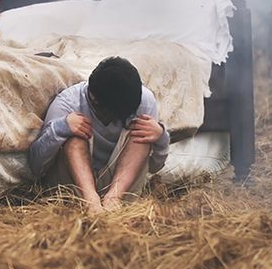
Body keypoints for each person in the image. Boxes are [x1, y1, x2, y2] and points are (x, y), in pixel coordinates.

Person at [28, 56, 169, 212]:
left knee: (142, 134)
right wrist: (61, 127)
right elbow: (36, 166)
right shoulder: (68, 102)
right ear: (94, 100)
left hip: (121, 190)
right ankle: (91, 202)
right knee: (74, 135)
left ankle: (112, 200)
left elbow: (156, 166)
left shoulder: (144, 101)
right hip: (73, 190)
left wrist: (161, 137)